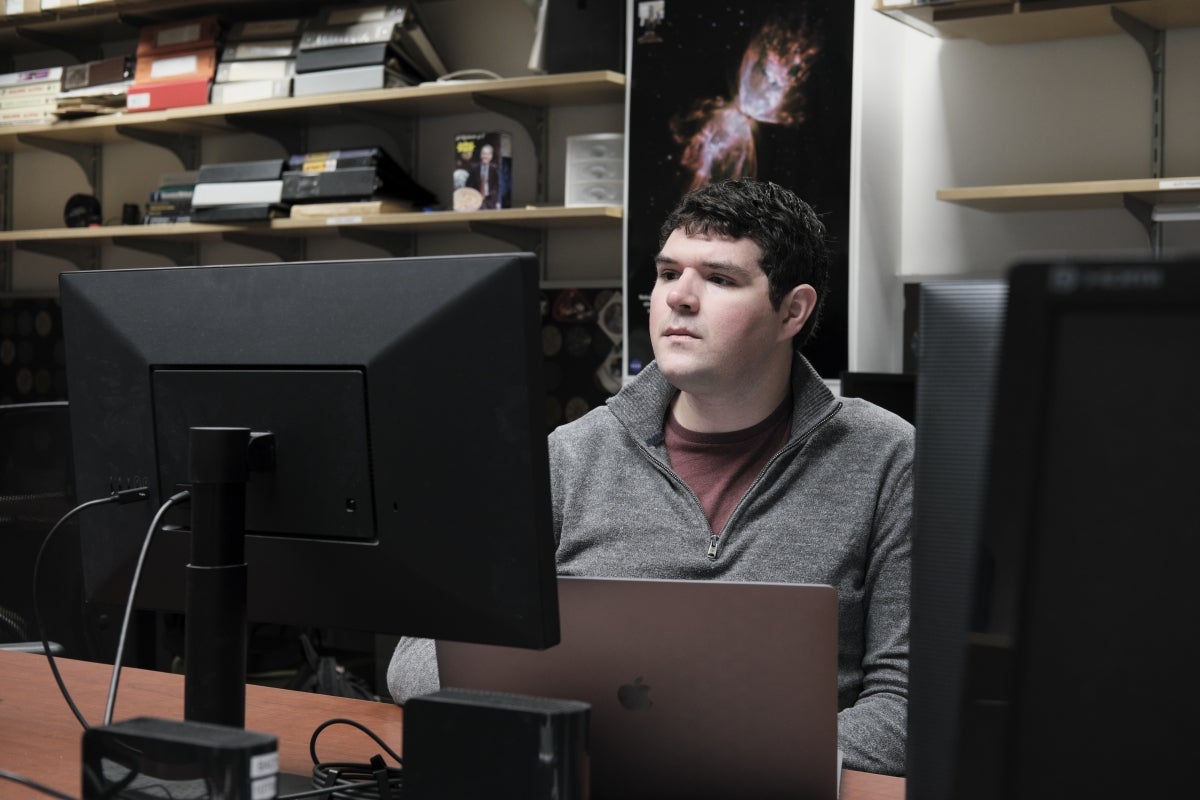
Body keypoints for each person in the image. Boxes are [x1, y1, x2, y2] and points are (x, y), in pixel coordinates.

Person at [388, 178, 912, 776]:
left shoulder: (887, 459)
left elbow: (905, 706)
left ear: (793, 310)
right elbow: (419, 658)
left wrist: (718, 758)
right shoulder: (569, 455)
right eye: (667, 274)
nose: (678, 299)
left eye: (719, 279)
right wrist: (602, 734)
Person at [467, 142, 501, 209]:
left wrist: (496, 198)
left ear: (491, 156)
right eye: (483, 154)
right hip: (477, 200)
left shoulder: (494, 169)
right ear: (480, 155)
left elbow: (497, 185)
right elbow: (469, 185)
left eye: (487, 154)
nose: (485, 156)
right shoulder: (474, 169)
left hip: (491, 200)